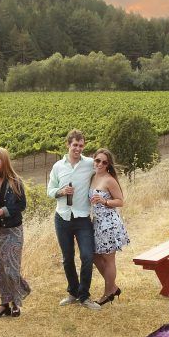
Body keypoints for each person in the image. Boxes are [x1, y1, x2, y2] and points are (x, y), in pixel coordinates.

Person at [47, 129, 100, 310]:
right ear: (68, 145)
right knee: (67, 258)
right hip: (62, 217)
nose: (78, 148)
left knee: (87, 256)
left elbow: (103, 173)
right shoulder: (58, 167)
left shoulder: (90, 164)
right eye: (75, 145)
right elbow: (49, 190)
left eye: (81, 145)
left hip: (83, 217)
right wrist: (61, 192)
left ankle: (84, 296)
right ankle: (73, 292)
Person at [0, 147, 31, 318]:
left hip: (13, 231)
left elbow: (21, 205)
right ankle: (4, 303)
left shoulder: (15, 181)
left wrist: (4, 211)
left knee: (11, 268)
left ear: (4, 161)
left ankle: (16, 302)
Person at [89, 148, 130, 306]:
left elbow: (120, 201)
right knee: (94, 255)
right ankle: (113, 287)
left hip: (109, 223)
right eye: (97, 160)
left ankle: (107, 293)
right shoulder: (93, 177)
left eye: (104, 162)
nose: (100, 164)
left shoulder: (109, 179)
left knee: (109, 259)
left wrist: (105, 201)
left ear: (108, 165)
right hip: (97, 223)